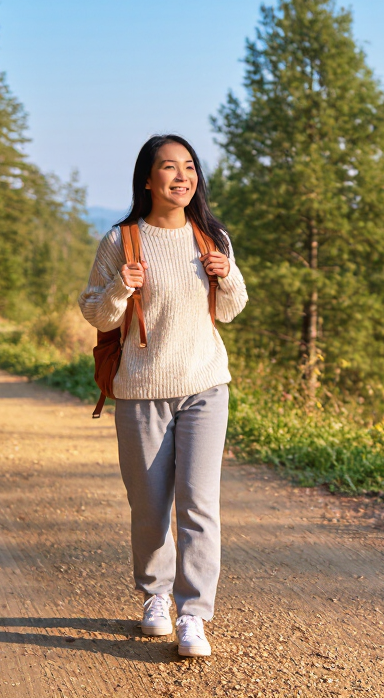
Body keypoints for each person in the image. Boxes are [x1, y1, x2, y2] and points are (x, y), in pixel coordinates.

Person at [78, 134, 248, 658]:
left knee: (200, 505)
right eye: (169, 168)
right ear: (147, 179)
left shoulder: (211, 236)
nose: (182, 177)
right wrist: (121, 288)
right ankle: (155, 598)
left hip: (204, 386)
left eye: (190, 167)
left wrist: (228, 275)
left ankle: (194, 613)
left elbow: (228, 311)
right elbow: (96, 314)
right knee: (149, 507)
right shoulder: (122, 240)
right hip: (141, 392)